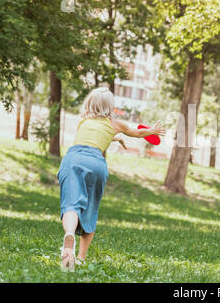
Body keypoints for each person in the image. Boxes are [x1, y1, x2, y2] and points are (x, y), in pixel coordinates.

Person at [58, 87, 166, 272]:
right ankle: (82, 258)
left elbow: (94, 135)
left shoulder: (83, 121)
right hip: (96, 163)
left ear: (90, 103)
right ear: (111, 107)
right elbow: (137, 133)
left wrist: (115, 139)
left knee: (71, 204)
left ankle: (69, 235)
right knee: (90, 208)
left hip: (74, 159)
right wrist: (152, 130)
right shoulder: (115, 124)